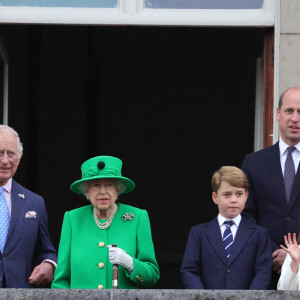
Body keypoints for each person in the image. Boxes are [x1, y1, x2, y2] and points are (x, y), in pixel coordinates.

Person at [51, 155, 160, 289]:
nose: (103, 192)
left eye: (109, 185)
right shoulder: (72, 219)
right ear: (86, 190)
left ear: (117, 189)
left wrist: (130, 263)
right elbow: (61, 281)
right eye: (96, 185)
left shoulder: (137, 217)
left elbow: (152, 275)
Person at [242, 86, 300, 288]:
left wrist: (295, 255)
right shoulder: (253, 163)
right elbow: (245, 216)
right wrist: (274, 253)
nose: (295, 118)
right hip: (263, 271)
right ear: (277, 113)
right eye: (289, 111)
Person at [180, 166, 272, 289]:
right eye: (227, 194)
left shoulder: (259, 234)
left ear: (246, 196)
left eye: (239, 194)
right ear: (215, 197)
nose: (234, 200)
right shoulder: (198, 233)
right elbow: (189, 271)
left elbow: (263, 272)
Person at [0, 124, 57, 288]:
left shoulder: (34, 202)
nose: (5, 160)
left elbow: (46, 251)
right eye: (0, 153)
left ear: (19, 157)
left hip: (20, 292)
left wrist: (49, 264)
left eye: (11, 153)